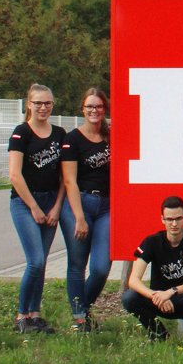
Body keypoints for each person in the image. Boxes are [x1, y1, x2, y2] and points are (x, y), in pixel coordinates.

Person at [7, 83, 66, 334]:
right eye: (38, 103)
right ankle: (21, 315)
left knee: (41, 263)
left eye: (48, 103)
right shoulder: (22, 133)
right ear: (28, 104)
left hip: (51, 201)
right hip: (24, 203)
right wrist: (33, 206)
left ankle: (35, 314)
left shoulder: (60, 134)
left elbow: (66, 176)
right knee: (36, 260)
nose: (43, 107)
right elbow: (14, 175)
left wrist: (56, 207)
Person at [121, 196, 183, 344]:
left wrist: (171, 291)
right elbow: (133, 280)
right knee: (129, 297)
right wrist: (156, 296)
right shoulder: (152, 242)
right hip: (160, 300)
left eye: (178, 218)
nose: (174, 223)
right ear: (162, 220)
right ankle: (159, 334)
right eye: (169, 219)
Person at [59, 87, 112, 332]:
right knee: (77, 265)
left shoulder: (110, 136)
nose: (94, 110)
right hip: (80, 204)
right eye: (90, 106)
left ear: (104, 109)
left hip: (106, 207)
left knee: (101, 267)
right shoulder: (72, 139)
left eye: (98, 106)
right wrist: (79, 217)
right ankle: (81, 320)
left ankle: (83, 309)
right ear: (83, 109)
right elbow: (69, 181)